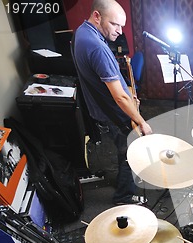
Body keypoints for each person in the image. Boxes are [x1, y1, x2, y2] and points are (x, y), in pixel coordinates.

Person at [72, 0, 152, 205]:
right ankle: (124, 198)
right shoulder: (97, 46)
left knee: (122, 148)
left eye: (122, 26)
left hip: (103, 110)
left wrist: (128, 92)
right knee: (131, 151)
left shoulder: (81, 32)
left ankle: (122, 186)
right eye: (115, 24)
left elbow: (108, 78)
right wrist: (141, 120)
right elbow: (118, 97)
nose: (120, 31)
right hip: (113, 113)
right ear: (97, 16)